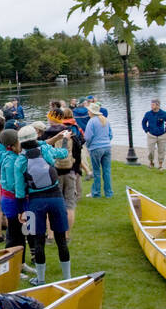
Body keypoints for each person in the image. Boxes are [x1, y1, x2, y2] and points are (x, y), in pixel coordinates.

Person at [16, 125, 71, 285]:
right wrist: (65, 140)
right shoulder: (45, 149)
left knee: (38, 240)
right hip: (56, 197)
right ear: (35, 138)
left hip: (34, 202)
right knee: (61, 238)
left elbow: (20, 190)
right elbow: (64, 153)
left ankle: (40, 279)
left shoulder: (20, 160)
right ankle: (67, 278)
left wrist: (21, 210)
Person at [83, 107, 114, 198]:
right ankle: (108, 193)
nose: (88, 112)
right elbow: (110, 135)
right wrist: (106, 142)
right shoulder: (106, 120)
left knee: (96, 171)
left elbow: (88, 137)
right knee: (107, 171)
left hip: (96, 148)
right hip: (107, 147)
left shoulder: (91, 121)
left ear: (92, 112)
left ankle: (96, 193)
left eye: (89, 110)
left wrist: (88, 146)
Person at [141, 99, 166, 170]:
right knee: (150, 151)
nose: (151, 106)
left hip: (162, 136)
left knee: (161, 151)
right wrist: (146, 130)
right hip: (151, 135)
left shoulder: (164, 114)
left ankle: (160, 165)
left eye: (153, 104)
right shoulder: (148, 114)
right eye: (151, 104)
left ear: (158, 105)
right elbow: (143, 122)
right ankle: (151, 162)